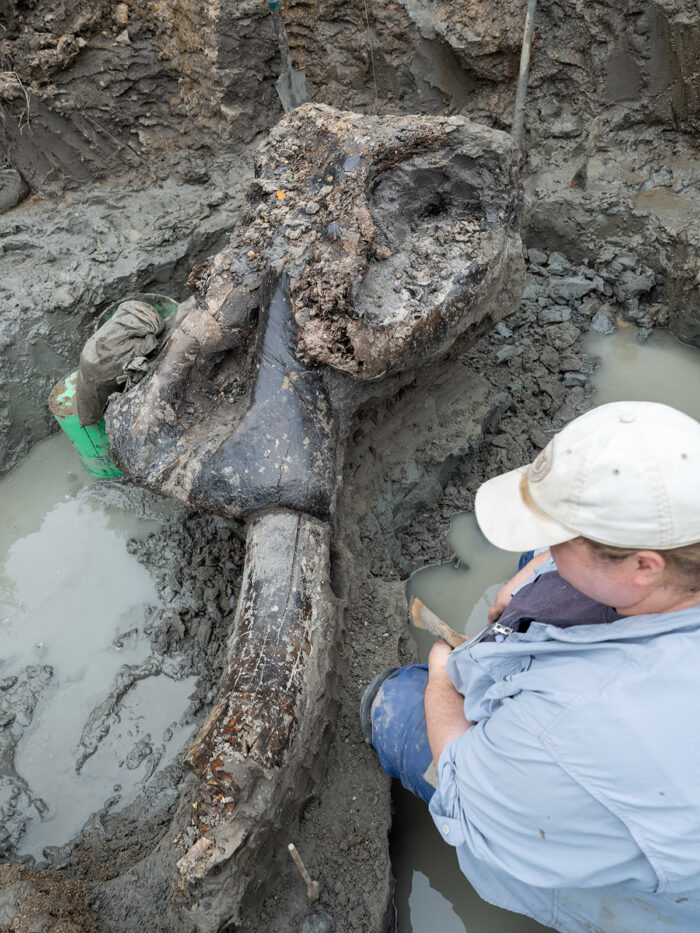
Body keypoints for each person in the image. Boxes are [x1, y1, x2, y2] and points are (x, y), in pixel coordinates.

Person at [362, 400, 700, 932]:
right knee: (540, 565)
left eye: (566, 540)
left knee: (395, 700)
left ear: (643, 566)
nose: (550, 549)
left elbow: (464, 784)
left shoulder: (567, 728)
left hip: (648, 895)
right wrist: (545, 564)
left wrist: (443, 675)